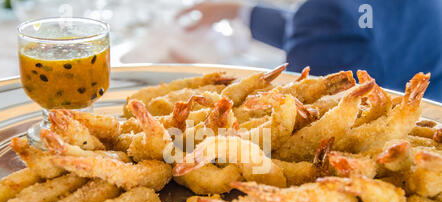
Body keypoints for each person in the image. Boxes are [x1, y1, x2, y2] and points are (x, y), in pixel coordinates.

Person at [177, 0, 442, 102]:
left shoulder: (324, 11)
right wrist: (242, 12)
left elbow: (304, 103)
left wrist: (208, 75)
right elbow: (349, 31)